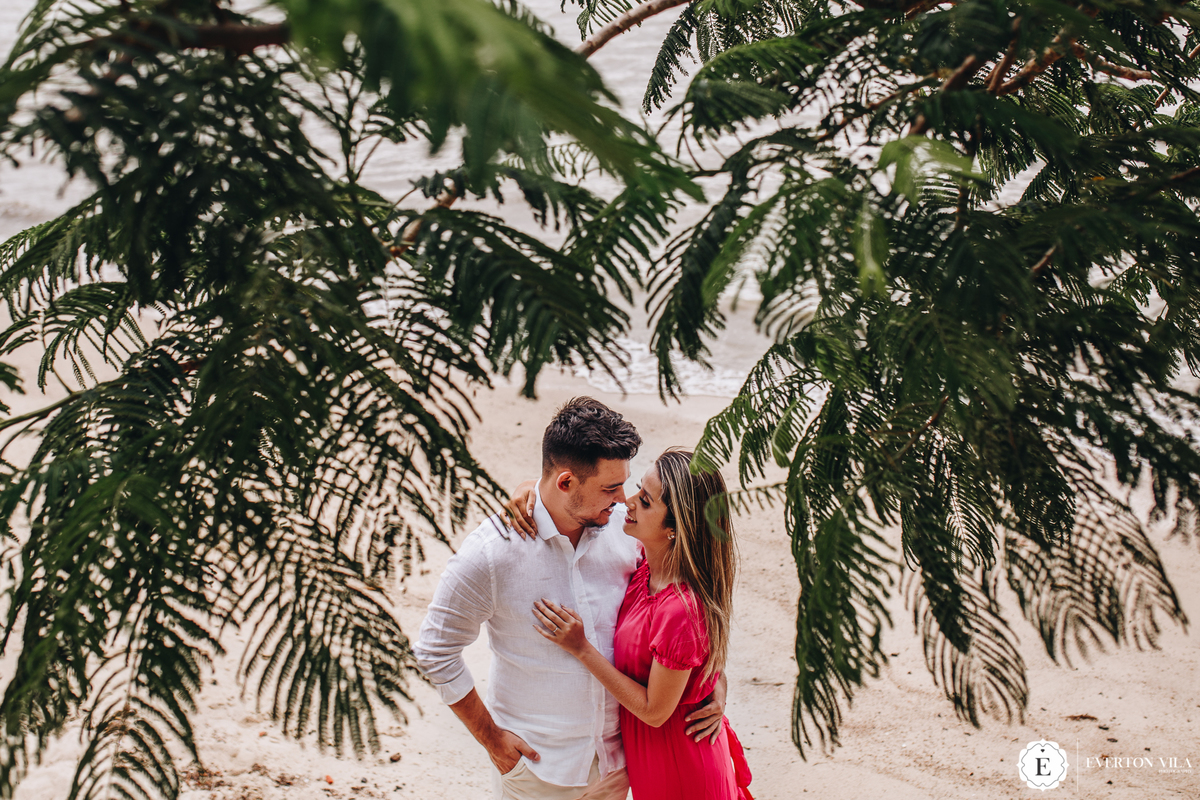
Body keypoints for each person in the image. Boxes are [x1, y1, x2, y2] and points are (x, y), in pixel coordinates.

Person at [413, 398, 725, 800]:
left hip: (619, 767)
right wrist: (493, 741)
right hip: (539, 771)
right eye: (610, 488)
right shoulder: (492, 553)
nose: (622, 499)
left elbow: (688, 605)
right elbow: (434, 651)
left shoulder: (625, 533)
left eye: (625, 485)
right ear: (565, 483)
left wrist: (713, 683)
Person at [528, 448, 753, 800]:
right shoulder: (644, 570)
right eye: (637, 490)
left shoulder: (679, 608)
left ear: (675, 529)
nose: (627, 502)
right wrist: (524, 492)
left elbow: (654, 711)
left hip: (682, 771)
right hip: (652, 763)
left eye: (645, 501)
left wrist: (581, 648)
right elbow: (561, 490)